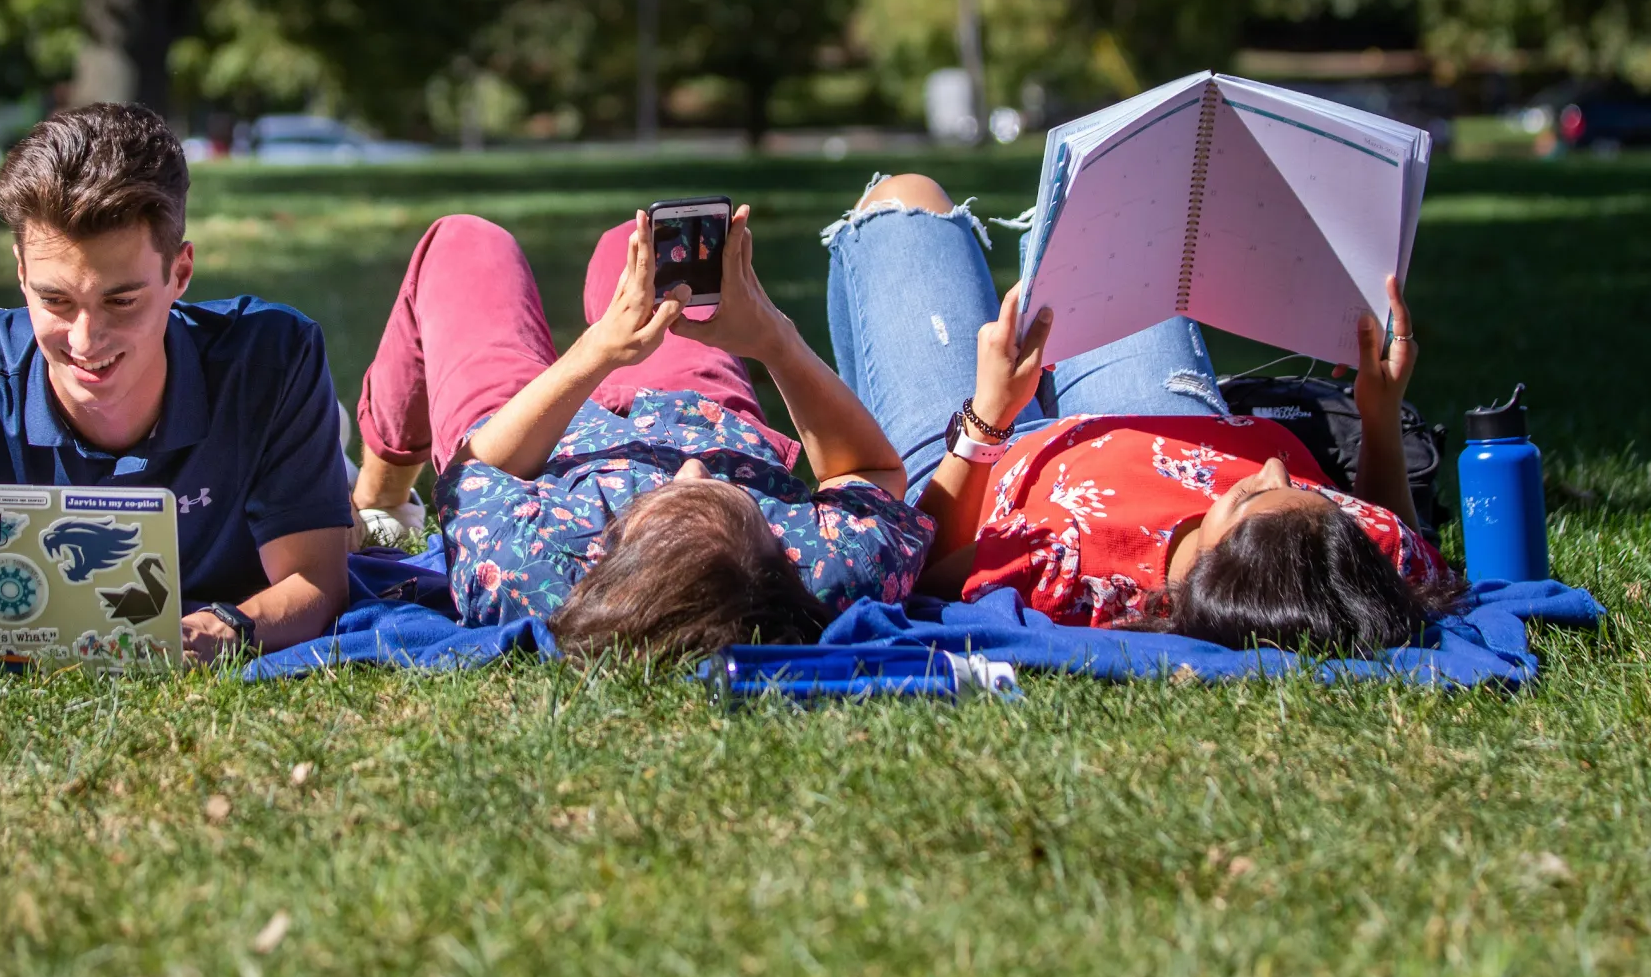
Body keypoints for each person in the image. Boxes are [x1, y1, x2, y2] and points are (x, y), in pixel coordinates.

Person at [822, 172, 1459, 652]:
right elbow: (1397, 533)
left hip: (978, 469)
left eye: (1247, 499)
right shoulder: (1341, 557)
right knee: (1098, 207)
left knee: (904, 204)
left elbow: (919, 569)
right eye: (1302, 487)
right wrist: (1379, 414)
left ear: (1210, 573)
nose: (1271, 467)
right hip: (1160, 418)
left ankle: (867, 463)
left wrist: (990, 415)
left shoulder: (1082, 581)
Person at [0, 103, 353, 663]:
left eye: (120, 300)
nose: (84, 340)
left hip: (281, 453)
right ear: (20, 273)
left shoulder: (272, 359)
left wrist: (220, 632)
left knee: (347, 509)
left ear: (181, 275)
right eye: (54, 300)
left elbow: (316, 582)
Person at [346, 208, 935, 658]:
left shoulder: (532, 568)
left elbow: (474, 472)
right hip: (700, 412)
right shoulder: (824, 570)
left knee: (464, 242)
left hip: (530, 437)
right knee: (624, 252)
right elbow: (876, 474)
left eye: (674, 494)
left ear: (610, 547)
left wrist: (596, 352)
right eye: (730, 499)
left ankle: (383, 496)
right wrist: (771, 340)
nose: (693, 467)